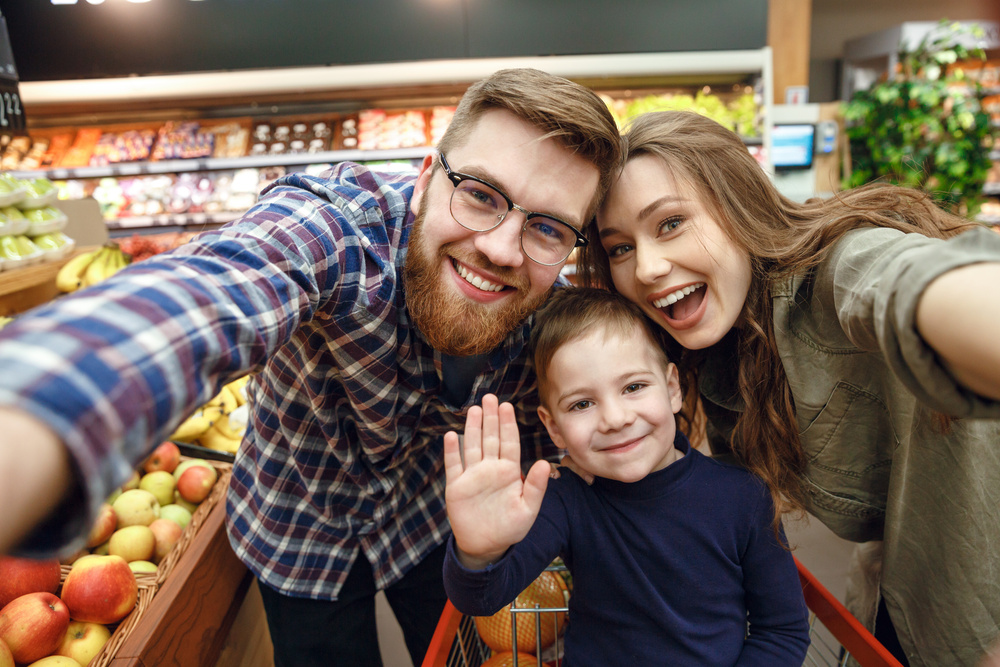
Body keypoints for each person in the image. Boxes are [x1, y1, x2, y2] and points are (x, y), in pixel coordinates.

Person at [0, 68, 622, 666]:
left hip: (430, 516)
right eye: (481, 196)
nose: (501, 248)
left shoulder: (556, 315)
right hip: (297, 522)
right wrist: (40, 413)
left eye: (546, 228)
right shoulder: (343, 228)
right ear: (427, 178)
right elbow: (217, 290)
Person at [579, 109, 1000, 667]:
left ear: (737, 205)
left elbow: (906, 283)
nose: (649, 268)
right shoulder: (723, 357)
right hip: (907, 588)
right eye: (620, 248)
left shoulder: (833, 272)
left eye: (671, 223)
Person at [442, 287, 811, 666]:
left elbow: (782, 630)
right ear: (554, 429)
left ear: (672, 389)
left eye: (634, 387)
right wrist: (479, 552)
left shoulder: (744, 497)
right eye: (582, 404)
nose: (616, 419)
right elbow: (481, 599)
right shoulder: (565, 497)